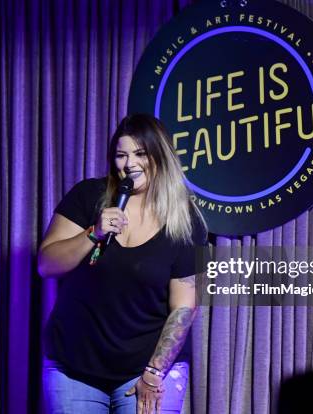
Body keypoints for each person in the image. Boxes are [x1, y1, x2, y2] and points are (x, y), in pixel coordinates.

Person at [38, 113, 207, 414]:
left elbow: (185, 307)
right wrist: (94, 233)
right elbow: (47, 265)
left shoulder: (185, 219)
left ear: (161, 155)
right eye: (121, 155)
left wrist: (154, 373)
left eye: (140, 154)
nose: (129, 164)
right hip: (75, 367)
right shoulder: (89, 196)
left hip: (146, 368)